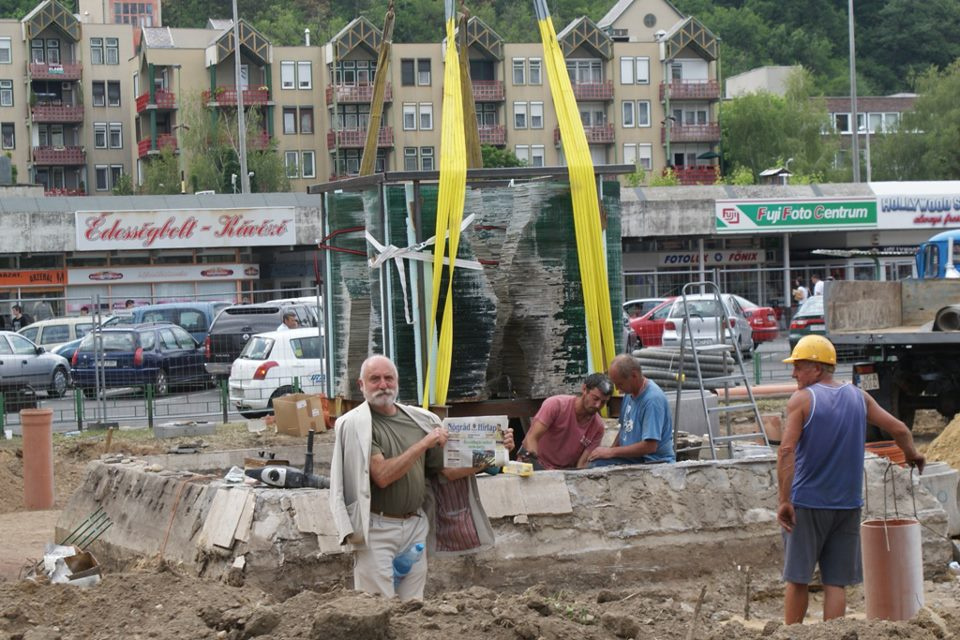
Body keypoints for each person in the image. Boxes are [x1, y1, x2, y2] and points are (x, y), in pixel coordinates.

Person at [329, 355, 514, 600]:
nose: (383, 385)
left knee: (413, 605)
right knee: (376, 603)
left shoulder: (419, 419)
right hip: (376, 528)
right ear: (361, 385)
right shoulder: (356, 425)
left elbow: (447, 470)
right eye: (375, 379)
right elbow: (383, 475)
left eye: (389, 378)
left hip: (415, 526)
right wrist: (424, 443)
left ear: (397, 382)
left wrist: (495, 453)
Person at [777, 335, 924, 625]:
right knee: (836, 583)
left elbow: (785, 452)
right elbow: (900, 429)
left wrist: (784, 500)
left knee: (797, 579)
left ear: (818, 369)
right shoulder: (859, 396)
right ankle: (833, 633)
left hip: (806, 503)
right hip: (848, 504)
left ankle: (791, 634)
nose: (793, 373)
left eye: (799, 366)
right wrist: (912, 455)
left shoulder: (803, 400)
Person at [588, 354, 674, 466]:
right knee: (597, 462)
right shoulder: (629, 394)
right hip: (633, 458)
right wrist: (609, 451)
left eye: (620, 384)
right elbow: (624, 430)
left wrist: (611, 452)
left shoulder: (652, 400)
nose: (618, 390)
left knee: (597, 465)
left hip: (653, 462)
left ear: (634, 375)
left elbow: (650, 446)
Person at [517, 373, 613, 470]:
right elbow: (532, 438)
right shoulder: (556, 405)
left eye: (603, 402)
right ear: (584, 389)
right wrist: (541, 469)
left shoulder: (598, 427)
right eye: (595, 398)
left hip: (563, 473)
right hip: (533, 463)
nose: (598, 405)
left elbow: (582, 465)